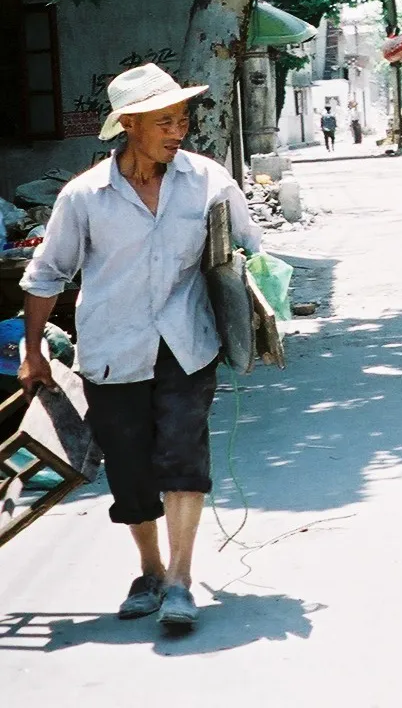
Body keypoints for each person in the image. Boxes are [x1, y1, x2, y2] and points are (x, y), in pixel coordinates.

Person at [17, 63, 260, 636]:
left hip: (186, 344)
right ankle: (149, 571)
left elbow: (249, 253)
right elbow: (46, 274)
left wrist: (256, 315)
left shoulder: (208, 181)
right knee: (129, 471)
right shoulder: (85, 197)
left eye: (182, 120)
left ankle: (179, 579)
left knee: (183, 456)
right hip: (111, 350)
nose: (178, 131)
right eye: (164, 122)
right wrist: (32, 354)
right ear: (128, 125)